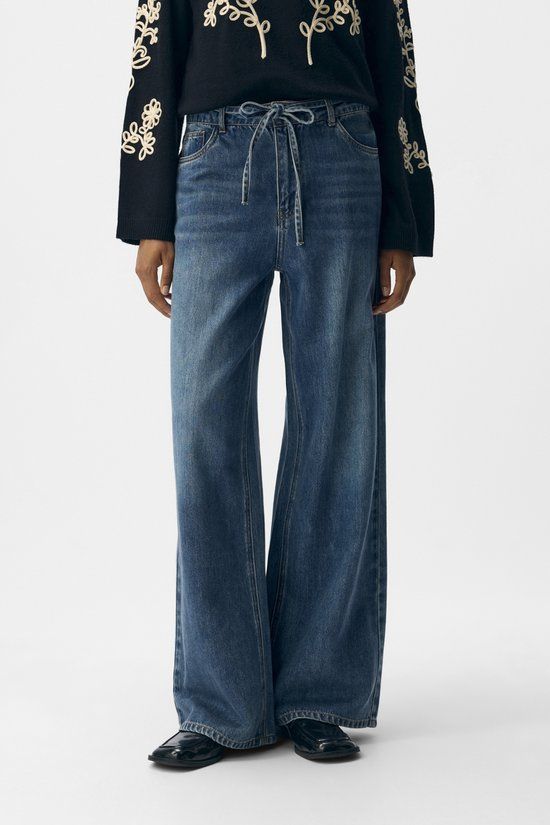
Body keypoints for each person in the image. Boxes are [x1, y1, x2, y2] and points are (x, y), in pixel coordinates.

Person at [117, 0, 434, 768]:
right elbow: (155, 42)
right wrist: (150, 209)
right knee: (205, 428)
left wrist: (403, 218)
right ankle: (221, 703)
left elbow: (393, 51)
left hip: (342, 151)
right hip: (213, 155)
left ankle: (317, 692)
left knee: (338, 426)